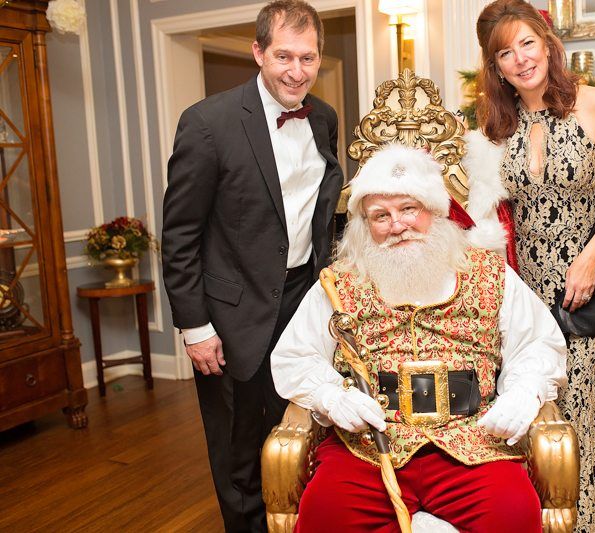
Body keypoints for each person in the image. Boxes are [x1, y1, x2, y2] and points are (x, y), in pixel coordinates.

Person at [271, 144, 567, 532]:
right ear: (365, 225)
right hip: (369, 449)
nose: (397, 225)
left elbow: (536, 343)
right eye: (381, 215)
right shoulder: (338, 284)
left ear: (434, 211)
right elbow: (296, 356)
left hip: (472, 443)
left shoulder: (490, 273)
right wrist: (330, 396)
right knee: (323, 516)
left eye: (409, 209)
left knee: (513, 513)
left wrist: (525, 391)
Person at [462, 1, 595, 531]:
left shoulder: (594, 103)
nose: (521, 59)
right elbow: (487, 210)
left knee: (580, 412)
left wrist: (589, 257)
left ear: (548, 45)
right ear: (496, 67)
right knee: (531, 417)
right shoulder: (495, 125)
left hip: (585, 289)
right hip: (522, 294)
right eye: (506, 53)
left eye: (527, 43)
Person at [161, 1, 343, 530]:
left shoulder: (324, 118)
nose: (296, 71)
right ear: (258, 52)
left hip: (304, 303)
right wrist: (196, 327)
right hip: (231, 316)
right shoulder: (207, 123)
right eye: (284, 56)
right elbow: (180, 235)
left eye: (308, 58)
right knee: (240, 454)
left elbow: (320, 215)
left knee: (303, 436)